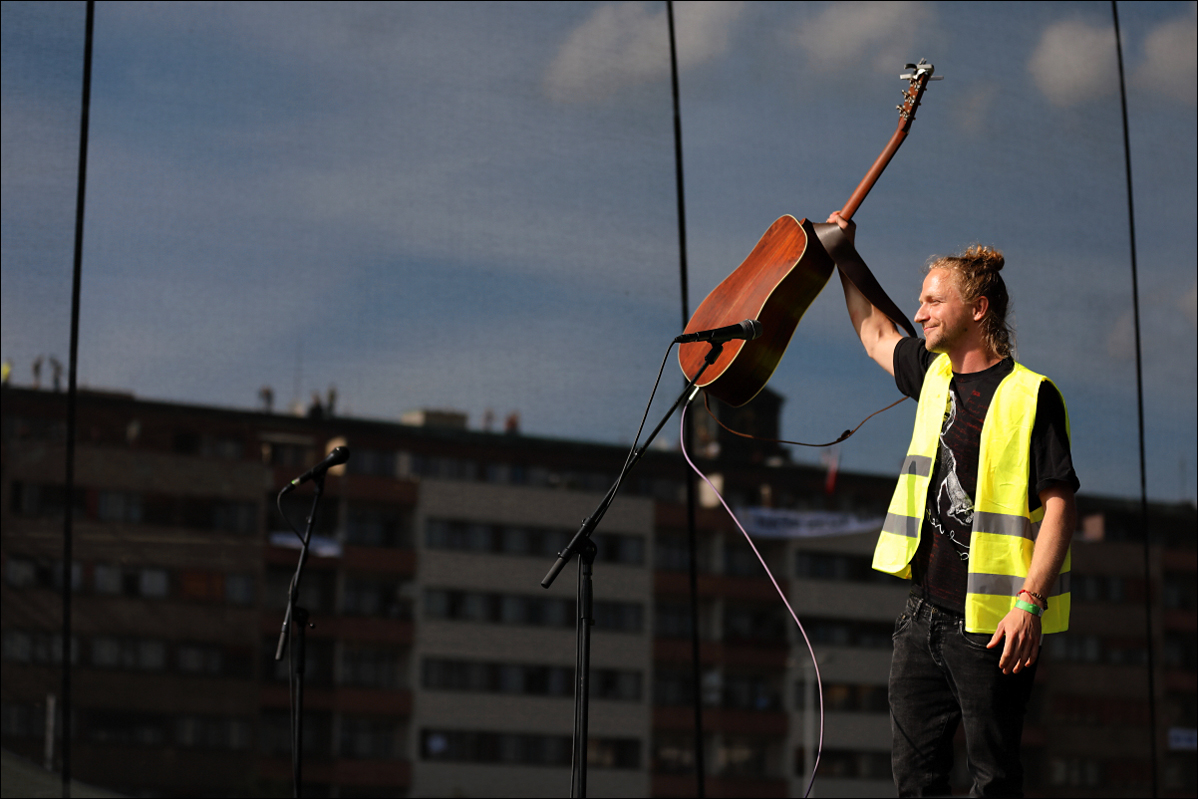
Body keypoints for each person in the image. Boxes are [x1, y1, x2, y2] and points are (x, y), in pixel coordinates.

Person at [830, 212, 1078, 797]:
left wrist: (1030, 605)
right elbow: (874, 333)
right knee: (915, 781)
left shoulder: (1029, 397)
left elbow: (1059, 508)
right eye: (920, 302)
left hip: (993, 630)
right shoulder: (934, 374)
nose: (919, 313)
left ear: (978, 309)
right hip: (921, 621)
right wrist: (843, 257)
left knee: (993, 780)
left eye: (933, 301)